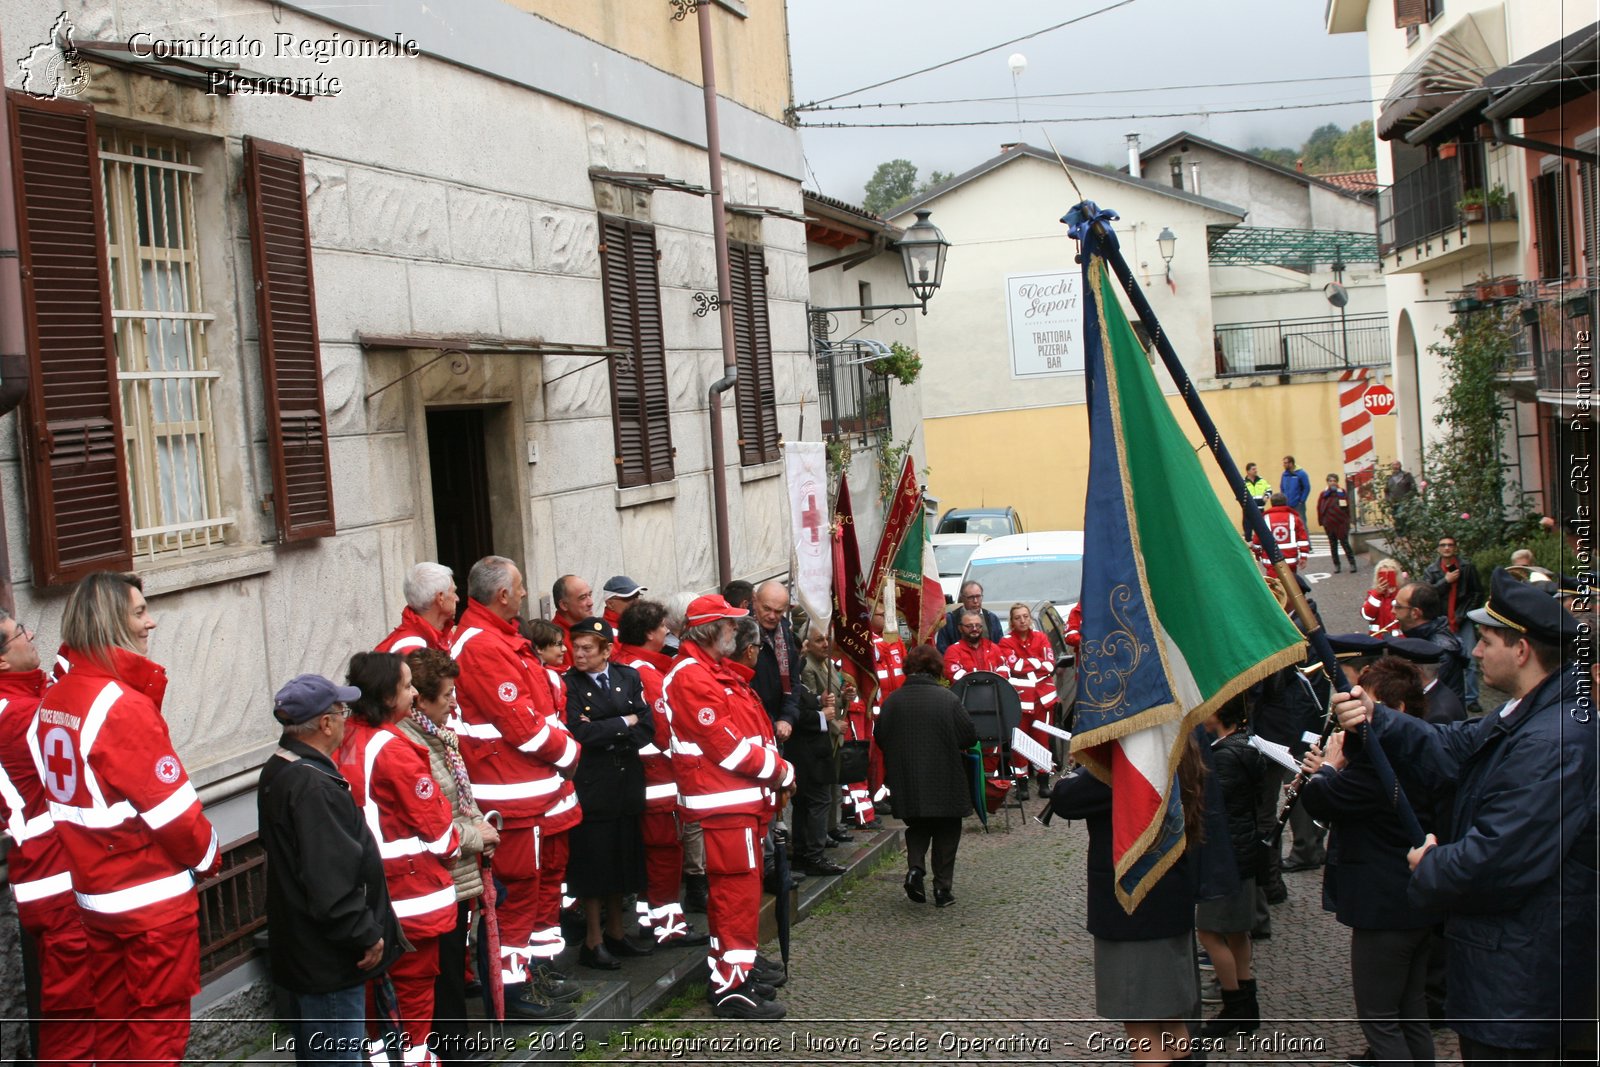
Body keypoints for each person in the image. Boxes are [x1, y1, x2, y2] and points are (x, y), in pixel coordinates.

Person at [1332, 568, 1595, 1063]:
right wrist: (1378, 716)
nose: (1474, 652)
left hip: (1523, 984)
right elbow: (1453, 746)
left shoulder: (1554, 740)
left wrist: (1432, 866)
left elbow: (1500, 855)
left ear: (1521, 650)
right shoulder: (1530, 711)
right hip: (1510, 972)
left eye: (1487, 640)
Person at [31, 572, 220, 1064]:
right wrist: (208, 855)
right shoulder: (120, 706)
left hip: (96, 899)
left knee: (114, 1035)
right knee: (156, 1038)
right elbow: (177, 816)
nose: (150, 622)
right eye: (139, 612)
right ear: (110, 622)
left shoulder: (52, 701)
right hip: (151, 905)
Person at [451, 556, 581, 1021]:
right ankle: (511, 993)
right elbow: (520, 722)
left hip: (531, 788)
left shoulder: (498, 637)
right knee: (515, 898)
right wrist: (568, 753)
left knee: (535, 891)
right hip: (511, 792)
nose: (526, 594)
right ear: (502, 595)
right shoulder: (482, 645)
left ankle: (526, 978)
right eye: (520, 587)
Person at [662, 595, 794, 1020]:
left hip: (739, 804)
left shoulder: (710, 672)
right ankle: (731, 987)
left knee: (739, 894)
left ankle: (735, 972)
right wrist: (781, 772)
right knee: (734, 896)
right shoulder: (691, 677)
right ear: (710, 629)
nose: (737, 632)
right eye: (731, 625)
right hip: (724, 806)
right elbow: (729, 749)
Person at [259, 674, 401, 1064]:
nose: (345, 719)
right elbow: (330, 878)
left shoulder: (281, 767)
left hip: (305, 952)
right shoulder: (313, 785)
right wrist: (364, 934)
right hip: (331, 959)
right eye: (342, 711)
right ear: (324, 724)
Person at [1047, 740, 1207, 1064]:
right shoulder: (1173, 741)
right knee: (1172, 1023)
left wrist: (1084, 763)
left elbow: (1065, 798)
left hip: (1133, 909)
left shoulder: (1132, 757)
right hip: (1168, 898)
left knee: (1144, 1027)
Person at [1299, 707, 1440, 1067]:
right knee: (1411, 1012)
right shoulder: (1413, 755)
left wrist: (1329, 766)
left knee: (1379, 1019)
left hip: (1384, 911)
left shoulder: (1377, 768)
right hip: (1415, 903)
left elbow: (1322, 799)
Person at [339, 652, 459, 1061]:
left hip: (367, 893)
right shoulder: (391, 748)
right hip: (408, 893)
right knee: (414, 990)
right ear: (388, 696)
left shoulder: (345, 738)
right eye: (407, 686)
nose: (413, 693)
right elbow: (439, 828)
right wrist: (457, 841)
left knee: (374, 994)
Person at [398, 649, 515, 1058]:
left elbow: (461, 799)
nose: (454, 703)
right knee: (443, 969)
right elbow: (431, 817)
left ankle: (457, 1040)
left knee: (453, 960)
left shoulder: (439, 737)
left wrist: (480, 825)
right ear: (420, 700)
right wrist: (475, 835)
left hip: (459, 869)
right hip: (439, 874)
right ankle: (450, 1047)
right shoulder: (414, 746)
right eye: (447, 694)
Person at [0, 611, 94, 1065]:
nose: (31, 634)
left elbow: (50, 696)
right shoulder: (16, 719)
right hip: (57, 880)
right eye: (21, 633)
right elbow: (74, 729)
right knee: (73, 1025)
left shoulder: (14, 705)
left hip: (45, 878)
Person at [562, 618, 655, 970]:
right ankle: (593, 940)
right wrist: (622, 723)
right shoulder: (569, 684)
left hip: (626, 779)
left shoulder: (627, 677)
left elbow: (646, 725)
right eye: (576, 647)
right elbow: (578, 733)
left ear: (606, 651)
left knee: (622, 858)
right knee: (594, 862)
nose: (579, 654)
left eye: (587, 648)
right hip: (593, 783)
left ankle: (617, 932)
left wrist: (611, 729)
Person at [613, 600, 705, 947]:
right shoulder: (646, 673)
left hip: (640, 778)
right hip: (658, 781)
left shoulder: (626, 663)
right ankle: (668, 925)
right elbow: (666, 728)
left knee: (652, 857)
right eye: (664, 627)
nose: (668, 632)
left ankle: (652, 919)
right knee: (665, 854)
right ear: (650, 633)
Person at [873, 644, 978, 908]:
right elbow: (968, 735)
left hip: (907, 778)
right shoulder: (948, 699)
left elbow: (881, 736)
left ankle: (915, 870)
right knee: (947, 829)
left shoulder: (892, 701)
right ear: (936, 668)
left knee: (918, 825)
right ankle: (942, 890)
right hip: (945, 778)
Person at [751, 580, 839, 877]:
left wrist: (787, 717)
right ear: (754, 602)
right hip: (754, 724)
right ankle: (769, 864)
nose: (772, 616)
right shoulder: (744, 635)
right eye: (767, 609)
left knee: (782, 797)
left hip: (781, 727)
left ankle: (776, 861)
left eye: (779, 610)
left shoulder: (783, 636)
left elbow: (791, 687)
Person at [1197, 698, 1263, 1036]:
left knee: (1210, 933)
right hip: (1244, 851)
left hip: (1226, 856)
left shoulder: (1224, 756)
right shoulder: (1245, 746)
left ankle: (1234, 1004)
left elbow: (1210, 805)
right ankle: (1247, 1006)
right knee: (1237, 932)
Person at [798, 626, 863, 832]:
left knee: (835, 782)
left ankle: (833, 826)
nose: (826, 644)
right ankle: (824, 830)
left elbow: (835, 696)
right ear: (807, 644)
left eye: (827, 639)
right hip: (822, 734)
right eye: (819, 640)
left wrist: (846, 696)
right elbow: (814, 702)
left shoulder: (827, 664)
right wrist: (835, 725)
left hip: (834, 732)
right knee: (823, 787)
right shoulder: (807, 667)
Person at [998, 602, 1057, 799]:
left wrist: (1030, 663)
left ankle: (1043, 782)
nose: (1022, 620)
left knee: (1042, 741)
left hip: (1043, 699)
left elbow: (1049, 665)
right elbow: (1014, 666)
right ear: (1012, 622)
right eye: (1018, 618)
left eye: (1025, 616)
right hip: (1020, 700)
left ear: (1030, 619)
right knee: (1019, 744)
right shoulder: (1005, 642)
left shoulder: (1041, 637)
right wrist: (1036, 662)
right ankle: (1022, 786)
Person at [1423, 536, 1485, 711]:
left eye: (1450, 545)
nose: (1447, 548)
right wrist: (1446, 581)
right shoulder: (1432, 570)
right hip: (1442, 622)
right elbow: (1427, 595)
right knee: (1442, 661)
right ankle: (1444, 696)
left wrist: (1465, 614)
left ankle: (1471, 698)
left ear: (1455, 548)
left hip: (1462, 620)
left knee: (1471, 661)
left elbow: (1477, 593)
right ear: (1438, 549)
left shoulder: (1467, 568)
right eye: (1443, 545)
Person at [1390, 583, 1468, 705]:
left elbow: (1415, 691)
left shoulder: (1439, 650)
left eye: (1398, 607)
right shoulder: (1422, 637)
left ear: (1415, 613)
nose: (1392, 611)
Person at [868, 602, 906, 815]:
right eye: (881, 615)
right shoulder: (867, 644)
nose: (885, 618)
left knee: (896, 755)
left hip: (897, 708)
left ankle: (895, 792)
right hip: (878, 711)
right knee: (879, 757)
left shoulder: (895, 641)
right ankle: (878, 796)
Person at [378, 562, 458, 655]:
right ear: (441, 598)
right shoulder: (410, 654)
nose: (457, 598)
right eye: (453, 592)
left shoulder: (442, 635)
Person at [934, 581, 1003, 652]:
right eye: (971, 597)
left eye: (978, 596)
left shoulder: (991, 618)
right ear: (962, 598)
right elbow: (942, 650)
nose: (975, 601)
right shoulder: (950, 620)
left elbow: (1000, 647)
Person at [1252, 492, 1310, 572]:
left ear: (1272, 503)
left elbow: (1256, 541)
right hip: (1290, 560)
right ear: (1286, 503)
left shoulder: (1264, 519)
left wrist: (1258, 554)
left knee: (1274, 583)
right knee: (1291, 583)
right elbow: (1303, 539)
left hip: (1271, 561)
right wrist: (1303, 557)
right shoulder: (1294, 518)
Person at [549, 574, 594, 670]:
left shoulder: (593, 628)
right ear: (564, 605)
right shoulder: (553, 640)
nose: (590, 603)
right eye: (583, 598)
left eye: (590, 595)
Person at [1317, 474, 1359, 574]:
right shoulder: (1324, 494)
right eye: (1330, 481)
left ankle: (1352, 563)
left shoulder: (1342, 493)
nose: (1332, 482)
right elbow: (1320, 508)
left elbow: (1347, 508)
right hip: (1329, 523)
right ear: (1327, 482)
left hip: (1341, 523)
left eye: (1334, 480)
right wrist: (1322, 521)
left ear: (1337, 482)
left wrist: (1347, 521)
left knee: (1345, 543)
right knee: (1333, 544)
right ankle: (1337, 565)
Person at [1363, 559, 1404, 637]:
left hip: (1399, 641)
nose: (1387, 579)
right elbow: (1367, 616)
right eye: (1382, 575)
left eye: (1391, 575)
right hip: (1378, 640)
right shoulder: (1373, 595)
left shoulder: (1402, 595)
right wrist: (1376, 594)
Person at [1242, 462, 1273, 538]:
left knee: (1261, 528)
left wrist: (1266, 496)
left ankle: (1260, 544)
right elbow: (1239, 493)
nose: (1256, 471)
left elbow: (1269, 490)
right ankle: (1249, 543)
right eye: (1253, 469)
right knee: (1248, 528)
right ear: (1248, 471)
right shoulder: (1243, 482)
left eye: (1256, 469)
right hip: (1248, 509)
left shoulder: (1262, 481)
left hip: (1260, 509)